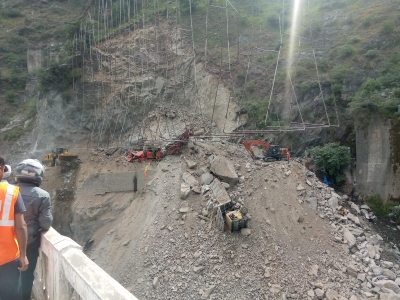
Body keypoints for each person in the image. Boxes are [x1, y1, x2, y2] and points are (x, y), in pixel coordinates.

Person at [15, 159, 53, 300]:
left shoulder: (8, 192)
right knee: (26, 278)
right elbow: (46, 224)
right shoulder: (42, 196)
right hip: (28, 245)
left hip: (6, 244)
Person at [0, 156, 29, 300]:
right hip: (7, 259)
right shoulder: (10, 192)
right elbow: (21, 226)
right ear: (1, 169)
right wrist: (23, 255)